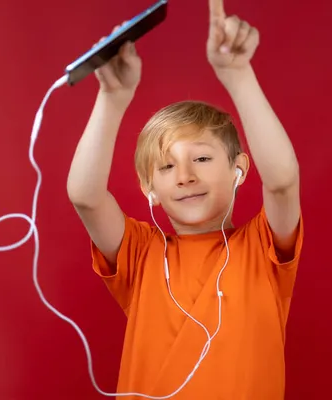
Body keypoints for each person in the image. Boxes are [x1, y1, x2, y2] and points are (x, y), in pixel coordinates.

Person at [66, 0, 303, 398]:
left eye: (203, 158)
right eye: (166, 167)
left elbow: (282, 182)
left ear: (240, 169)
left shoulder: (262, 249)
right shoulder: (140, 254)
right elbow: (85, 197)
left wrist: (238, 75)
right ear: (149, 188)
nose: (186, 176)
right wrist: (112, 98)